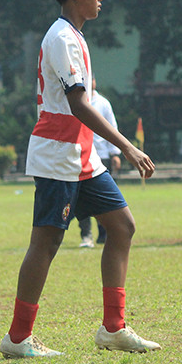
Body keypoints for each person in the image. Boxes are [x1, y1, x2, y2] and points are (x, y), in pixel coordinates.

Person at [0, 0, 160, 359]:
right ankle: (18, 338)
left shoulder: (73, 35)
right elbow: (79, 105)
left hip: (81, 158)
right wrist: (127, 145)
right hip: (58, 156)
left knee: (121, 226)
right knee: (47, 242)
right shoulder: (63, 38)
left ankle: (114, 328)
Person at [78, 77, 122, 248]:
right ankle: (86, 235)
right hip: (82, 155)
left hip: (101, 155)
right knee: (82, 198)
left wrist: (115, 153)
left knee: (103, 198)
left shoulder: (103, 103)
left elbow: (112, 127)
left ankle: (104, 234)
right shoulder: (76, 101)